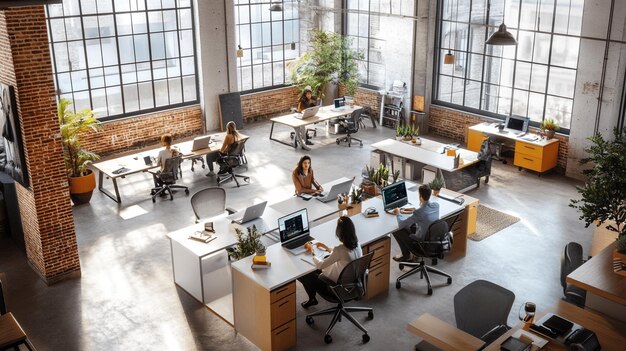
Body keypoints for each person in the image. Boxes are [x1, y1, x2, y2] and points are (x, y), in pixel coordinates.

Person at [297, 216, 362, 308]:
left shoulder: (340, 250)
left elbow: (321, 265)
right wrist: (326, 248)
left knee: (305, 274)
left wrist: (312, 252)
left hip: (335, 287)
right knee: (320, 266)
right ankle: (312, 298)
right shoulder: (357, 245)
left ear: (339, 233)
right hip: (352, 285)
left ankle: (312, 299)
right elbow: (342, 256)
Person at [391, 184, 439, 262]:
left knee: (397, 230)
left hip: (420, 243)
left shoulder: (419, 212)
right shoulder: (436, 206)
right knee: (413, 225)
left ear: (420, 195)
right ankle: (408, 255)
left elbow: (401, 224)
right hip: (432, 240)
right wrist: (415, 211)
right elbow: (425, 213)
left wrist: (398, 213)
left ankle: (406, 255)